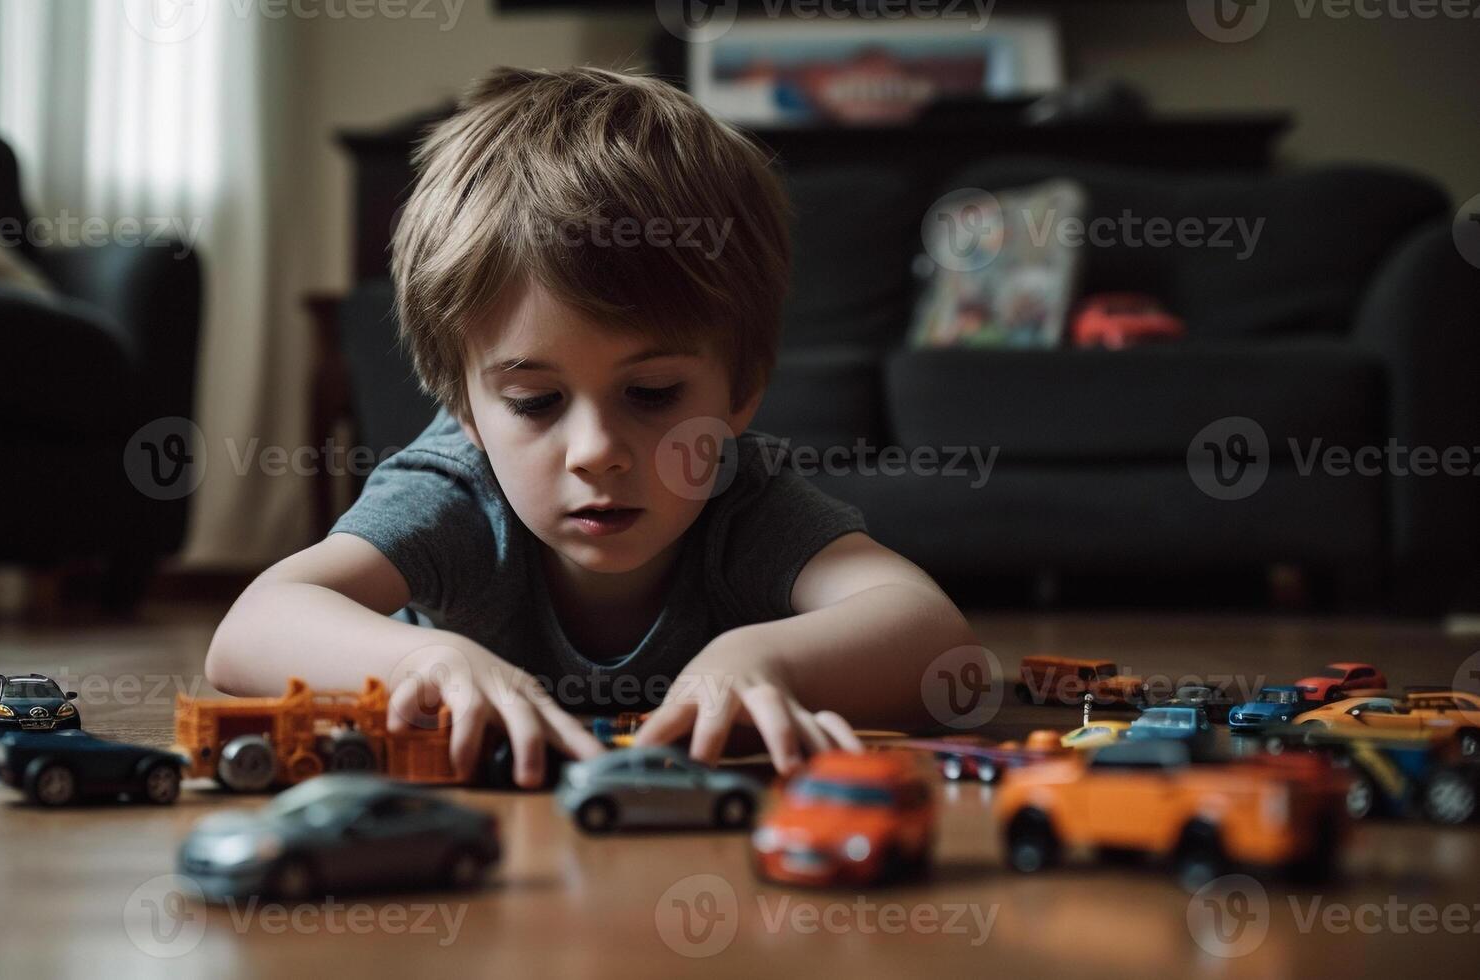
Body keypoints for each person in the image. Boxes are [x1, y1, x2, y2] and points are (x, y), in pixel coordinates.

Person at [207, 66, 976, 787]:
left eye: (650, 392)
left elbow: (937, 641)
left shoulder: (741, 496)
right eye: (535, 403)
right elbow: (250, 631)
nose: (596, 452)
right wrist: (426, 660)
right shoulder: (451, 493)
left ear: (741, 391)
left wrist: (763, 660)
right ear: (466, 407)